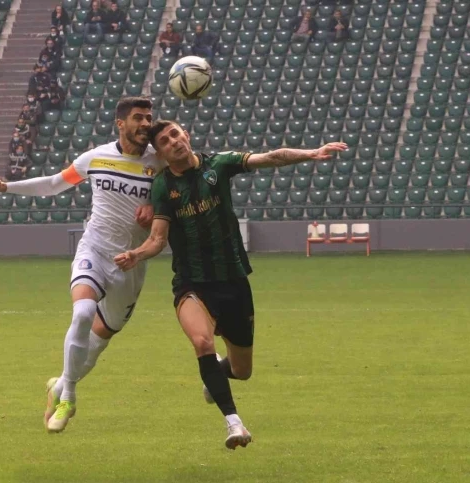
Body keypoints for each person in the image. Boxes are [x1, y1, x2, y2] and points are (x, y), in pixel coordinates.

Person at [114, 120, 347, 449]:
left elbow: (270, 157)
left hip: (234, 281)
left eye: (175, 134)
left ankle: (218, 376)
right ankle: (234, 423)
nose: (173, 142)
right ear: (162, 153)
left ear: (186, 135)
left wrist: (311, 153)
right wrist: (135, 255)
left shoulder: (219, 165)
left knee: (242, 370)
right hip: (192, 283)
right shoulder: (164, 187)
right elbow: (157, 240)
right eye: (164, 141)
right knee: (202, 342)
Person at [0, 97, 166, 434]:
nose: (145, 124)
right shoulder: (97, 158)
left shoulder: (159, 162)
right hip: (94, 250)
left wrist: (155, 203)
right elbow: (54, 184)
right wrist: (5, 186)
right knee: (82, 313)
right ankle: (69, 399)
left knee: (95, 347)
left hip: (131, 264)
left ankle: (60, 385)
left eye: (149, 118)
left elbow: (177, 194)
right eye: (138, 117)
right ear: (120, 123)